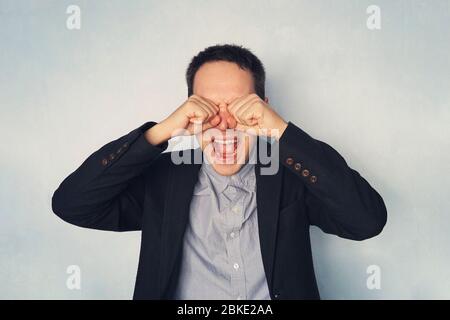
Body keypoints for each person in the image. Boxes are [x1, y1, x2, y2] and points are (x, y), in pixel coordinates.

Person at [52, 44, 387, 300]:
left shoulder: (290, 174)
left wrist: (282, 132)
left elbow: (367, 220)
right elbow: (72, 204)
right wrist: (160, 131)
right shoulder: (162, 181)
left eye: (240, 108)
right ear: (188, 111)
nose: (224, 125)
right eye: (208, 109)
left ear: (263, 108)